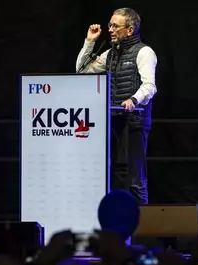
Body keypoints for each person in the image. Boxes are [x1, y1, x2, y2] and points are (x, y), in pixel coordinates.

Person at [76, 8, 157, 205]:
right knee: (118, 174)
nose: (110, 29)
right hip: (115, 119)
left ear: (129, 30)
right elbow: (82, 70)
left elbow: (150, 86)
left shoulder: (144, 52)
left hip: (135, 120)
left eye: (115, 26)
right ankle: (120, 225)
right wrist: (90, 42)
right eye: (110, 25)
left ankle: (141, 226)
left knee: (135, 178)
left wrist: (134, 100)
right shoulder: (111, 53)